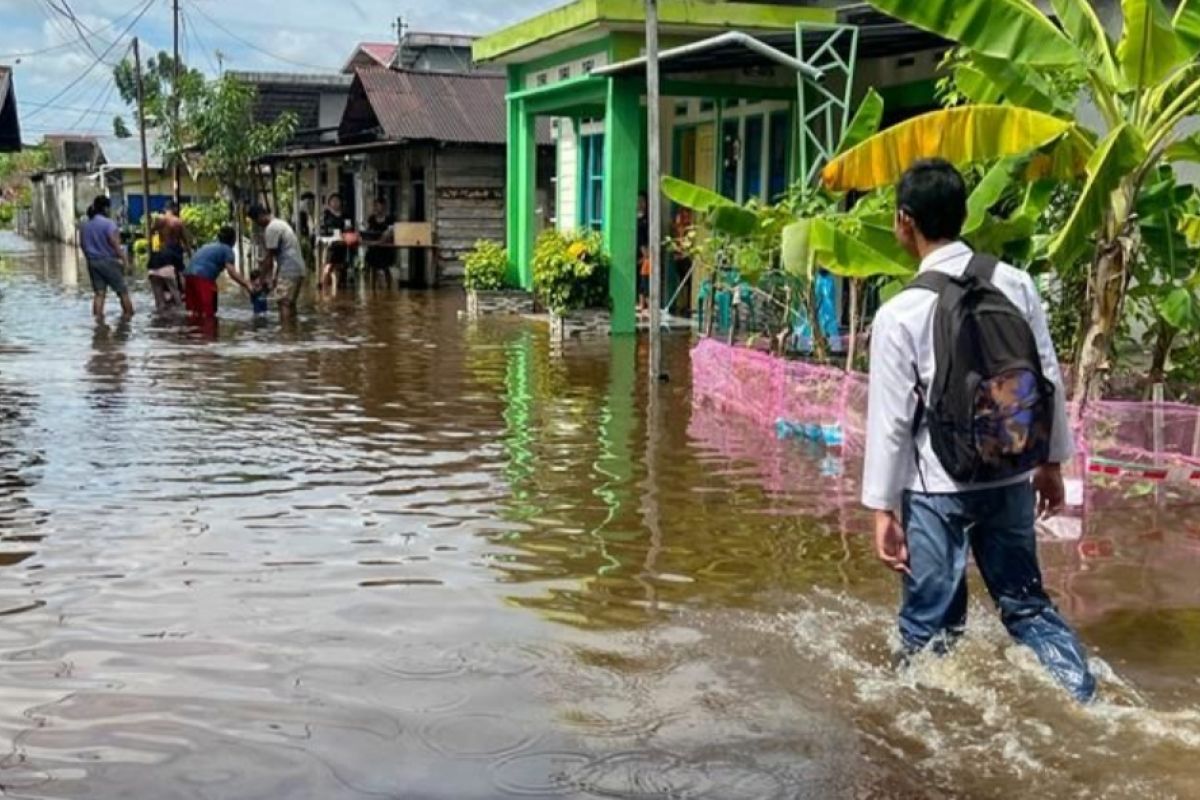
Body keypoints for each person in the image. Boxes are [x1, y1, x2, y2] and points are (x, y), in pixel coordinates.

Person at [862, 159, 1095, 702]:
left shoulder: (900, 313)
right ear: (964, 213)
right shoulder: (1016, 284)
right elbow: (1047, 377)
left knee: (931, 625)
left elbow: (892, 421)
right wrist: (1051, 464)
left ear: (904, 220)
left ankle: (926, 730)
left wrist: (881, 510)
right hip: (1010, 473)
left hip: (937, 489)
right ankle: (1083, 697)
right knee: (1028, 606)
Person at [79, 195, 134, 319]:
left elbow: (82, 245)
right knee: (122, 292)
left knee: (99, 294)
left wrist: (90, 257)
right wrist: (125, 261)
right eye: (109, 208)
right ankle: (129, 318)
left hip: (92, 262)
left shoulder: (85, 225)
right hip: (108, 261)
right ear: (105, 208)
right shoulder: (109, 224)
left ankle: (98, 323)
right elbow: (115, 244)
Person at [249, 203, 306, 320]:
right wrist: (274, 277)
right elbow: (278, 255)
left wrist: (261, 280)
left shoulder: (271, 228)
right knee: (290, 304)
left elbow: (269, 258)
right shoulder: (280, 223)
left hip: (289, 269)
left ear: (260, 216)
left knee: (283, 303)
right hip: (297, 269)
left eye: (256, 221)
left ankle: (285, 334)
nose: (258, 225)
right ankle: (293, 333)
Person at [183, 225, 252, 318]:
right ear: (233, 240)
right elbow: (232, 272)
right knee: (208, 313)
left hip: (189, 276)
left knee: (195, 312)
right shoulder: (227, 250)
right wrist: (247, 284)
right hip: (203, 278)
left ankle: (195, 331)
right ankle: (209, 331)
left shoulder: (208, 246)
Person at [364, 198, 396, 290]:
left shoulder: (390, 219)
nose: (378, 209)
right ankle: (372, 288)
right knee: (373, 268)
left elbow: (391, 231)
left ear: (384, 207)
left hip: (385, 247)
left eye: (381, 206)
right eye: (376, 206)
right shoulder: (371, 219)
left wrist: (381, 240)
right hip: (374, 247)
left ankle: (389, 288)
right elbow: (368, 230)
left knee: (386, 268)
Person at [636, 192, 650, 312]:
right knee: (639, 278)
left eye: (643, 201)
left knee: (644, 279)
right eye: (638, 201)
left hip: (645, 252)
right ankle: (640, 303)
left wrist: (646, 254)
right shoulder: (634, 219)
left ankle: (644, 304)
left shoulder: (647, 219)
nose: (641, 204)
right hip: (638, 252)